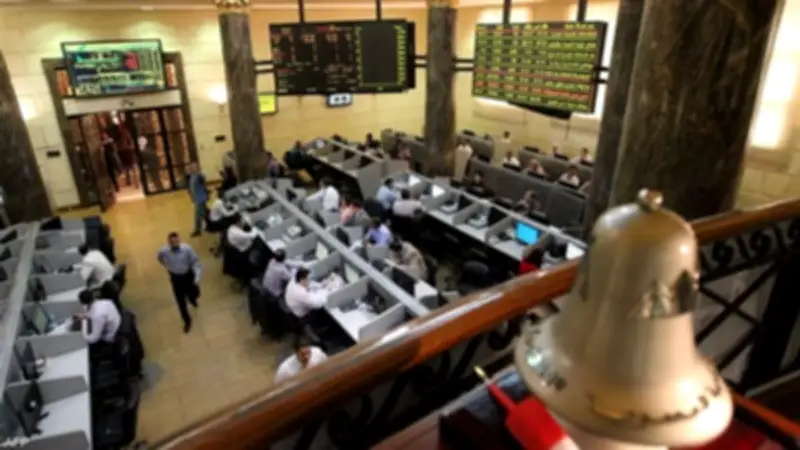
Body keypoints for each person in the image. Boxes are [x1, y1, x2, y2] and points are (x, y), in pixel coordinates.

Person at [157, 232, 202, 333]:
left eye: (176, 241)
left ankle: (192, 299)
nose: (174, 244)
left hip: (188, 275)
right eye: (172, 242)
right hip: (176, 278)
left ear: (179, 240)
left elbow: (195, 261)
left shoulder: (187, 249)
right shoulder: (163, 250)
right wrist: (166, 266)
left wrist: (197, 276)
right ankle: (187, 321)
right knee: (180, 301)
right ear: (169, 242)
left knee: (194, 293)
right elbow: (159, 258)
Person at [187, 162, 208, 237]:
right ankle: (210, 224)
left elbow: (203, 179)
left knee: (198, 215)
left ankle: (197, 230)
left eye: (193, 167)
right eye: (191, 167)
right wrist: (192, 197)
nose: (191, 169)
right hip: (197, 198)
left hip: (201, 198)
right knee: (204, 213)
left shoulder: (199, 176)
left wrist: (199, 174)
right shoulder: (191, 176)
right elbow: (190, 187)